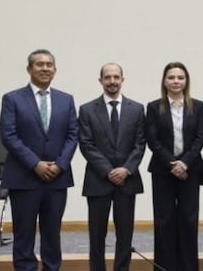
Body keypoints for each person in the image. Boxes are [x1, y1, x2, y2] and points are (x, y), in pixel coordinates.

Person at [0, 48, 79, 271]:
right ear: (29, 69)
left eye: (49, 64)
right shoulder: (12, 99)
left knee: (52, 233)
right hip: (24, 178)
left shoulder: (66, 100)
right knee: (24, 234)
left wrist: (60, 164)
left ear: (55, 69)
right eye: (39, 64)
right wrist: (35, 163)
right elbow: (9, 135)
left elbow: (73, 135)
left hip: (57, 179)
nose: (45, 68)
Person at [77, 62, 146, 271]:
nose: (112, 81)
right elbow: (86, 144)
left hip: (128, 180)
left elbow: (140, 143)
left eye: (116, 77)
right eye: (108, 77)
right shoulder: (87, 109)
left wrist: (126, 169)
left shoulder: (136, 109)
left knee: (125, 233)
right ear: (101, 81)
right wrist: (108, 170)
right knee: (96, 234)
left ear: (122, 80)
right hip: (98, 181)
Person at [145, 62, 203, 271]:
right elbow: (153, 140)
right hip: (163, 171)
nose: (176, 81)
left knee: (189, 220)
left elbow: (201, 137)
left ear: (186, 81)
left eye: (180, 77)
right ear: (164, 81)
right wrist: (172, 163)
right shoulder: (154, 107)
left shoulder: (198, 106)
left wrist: (184, 163)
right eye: (171, 77)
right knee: (164, 221)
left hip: (190, 171)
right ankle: (165, 267)